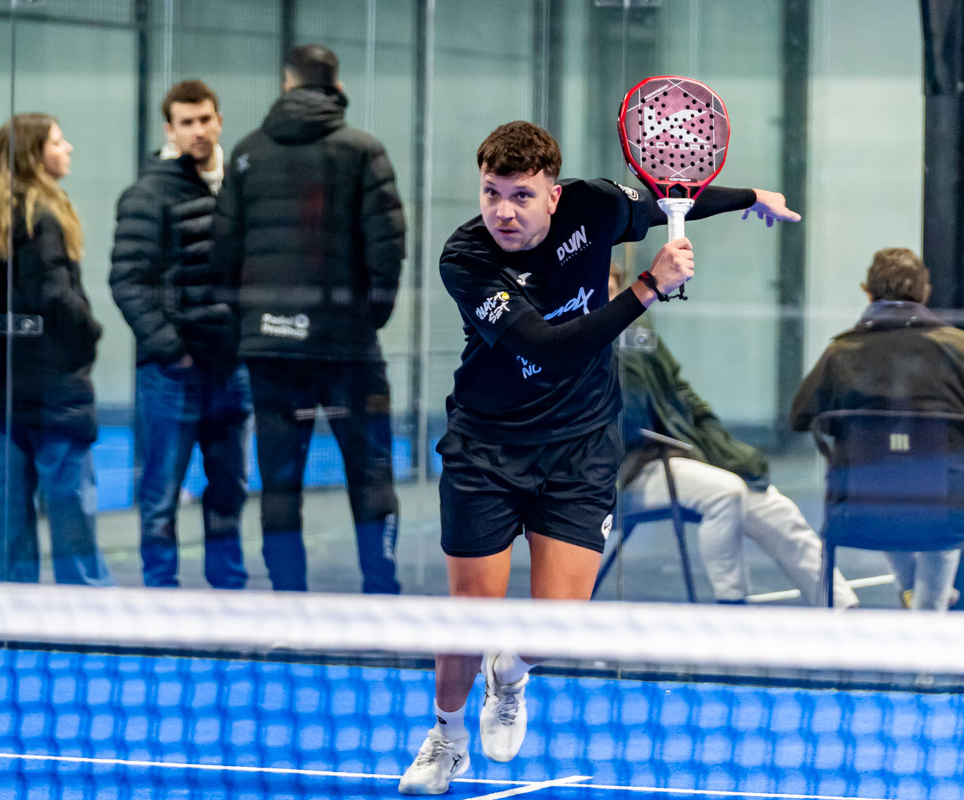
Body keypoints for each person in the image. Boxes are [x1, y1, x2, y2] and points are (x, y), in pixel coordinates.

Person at [398, 121, 800, 795]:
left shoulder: (594, 205)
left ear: (553, 195)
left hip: (580, 447)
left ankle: (510, 676)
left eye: (521, 196)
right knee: (468, 616)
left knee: (560, 626)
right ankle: (447, 735)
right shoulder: (466, 259)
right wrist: (647, 288)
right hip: (488, 447)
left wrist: (751, 195)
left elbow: (670, 200)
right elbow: (548, 348)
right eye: (492, 192)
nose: (503, 211)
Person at [211, 44, 405, 593]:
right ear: (336, 85)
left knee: (279, 483)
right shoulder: (364, 150)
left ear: (286, 84)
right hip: (349, 348)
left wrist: (253, 322)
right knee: (371, 473)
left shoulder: (246, 153)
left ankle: (287, 604)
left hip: (271, 351)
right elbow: (388, 247)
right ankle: (381, 593)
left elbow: (222, 254)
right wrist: (368, 320)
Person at [609, 263, 858, 608]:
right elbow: (624, 418)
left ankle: (842, 607)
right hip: (629, 471)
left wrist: (715, 439)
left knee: (776, 508)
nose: (612, 301)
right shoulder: (590, 341)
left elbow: (679, 391)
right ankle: (732, 606)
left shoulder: (637, 330)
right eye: (604, 293)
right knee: (725, 494)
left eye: (615, 292)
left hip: (678, 454)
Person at [0, 113, 113, 586]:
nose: (68, 149)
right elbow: (54, 294)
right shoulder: (38, 214)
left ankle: (2, 598)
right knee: (68, 493)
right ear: (34, 154)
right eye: (58, 142)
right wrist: (89, 333)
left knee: (7, 494)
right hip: (52, 382)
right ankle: (83, 594)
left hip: (6, 380)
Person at [110, 80, 251, 589]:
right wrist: (172, 351)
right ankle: (159, 596)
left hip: (231, 368)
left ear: (219, 122)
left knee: (230, 489)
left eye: (205, 119)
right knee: (161, 494)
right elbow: (127, 281)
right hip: (173, 373)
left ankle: (229, 589)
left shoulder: (238, 187)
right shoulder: (147, 194)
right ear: (170, 130)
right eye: (186, 122)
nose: (198, 130)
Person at [791, 247, 964, 611]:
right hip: (945, 510)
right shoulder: (957, 348)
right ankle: (928, 607)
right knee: (933, 482)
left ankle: (915, 592)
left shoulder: (842, 352)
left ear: (868, 294)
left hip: (862, 507)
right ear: (925, 293)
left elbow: (800, 417)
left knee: (884, 474)